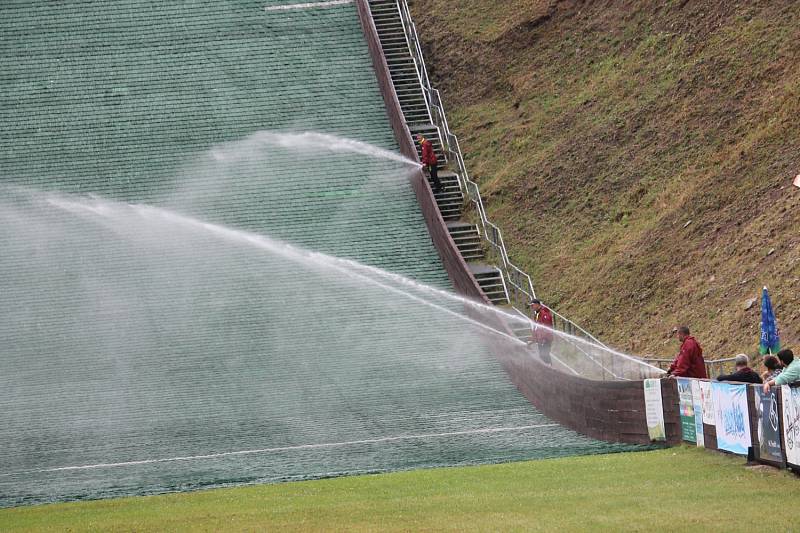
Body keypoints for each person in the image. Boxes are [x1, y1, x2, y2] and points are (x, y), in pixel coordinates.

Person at [528, 299, 553, 364]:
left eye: (532, 305)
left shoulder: (544, 314)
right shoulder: (537, 314)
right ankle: (549, 369)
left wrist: (544, 339)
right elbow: (537, 328)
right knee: (542, 355)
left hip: (545, 339)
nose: (531, 307)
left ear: (537, 305)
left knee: (545, 355)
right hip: (540, 339)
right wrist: (534, 339)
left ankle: (551, 369)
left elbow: (547, 328)